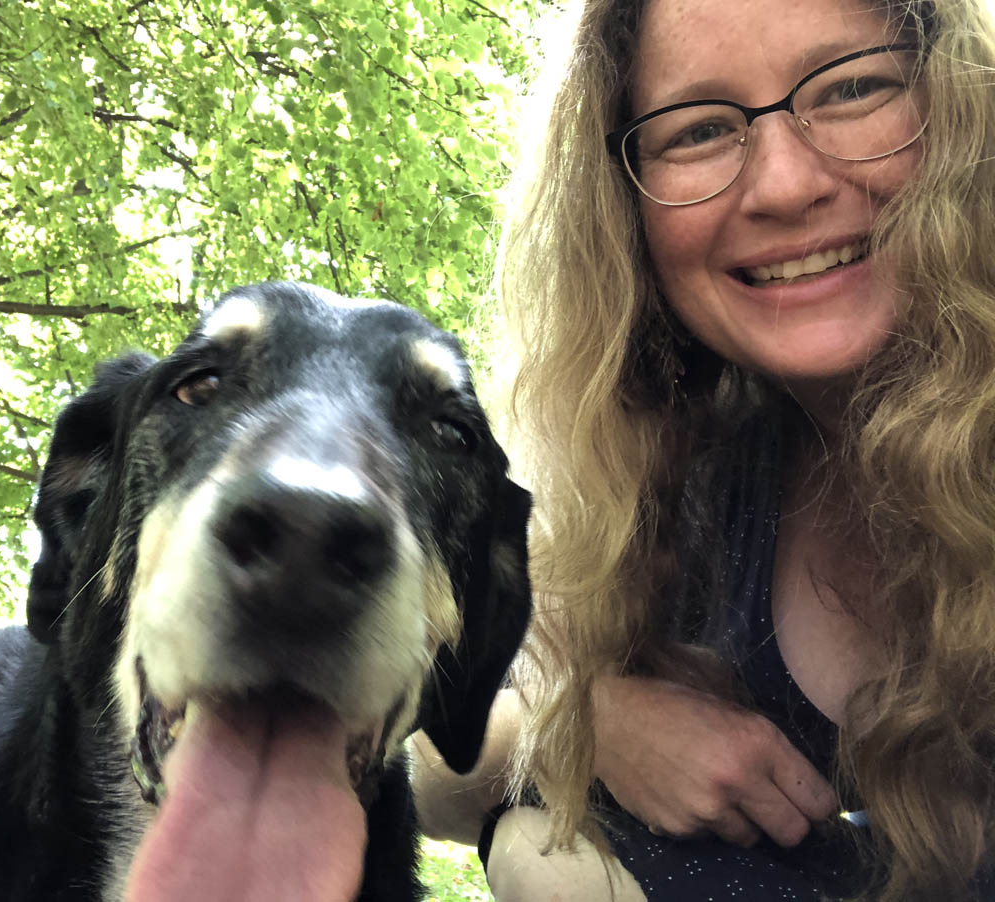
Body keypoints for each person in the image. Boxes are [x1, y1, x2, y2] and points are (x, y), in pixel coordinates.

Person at [410, 0, 995, 900]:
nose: (784, 184)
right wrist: (598, 722)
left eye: (851, 88)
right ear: (621, 208)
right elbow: (423, 771)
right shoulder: (684, 486)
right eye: (699, 132)